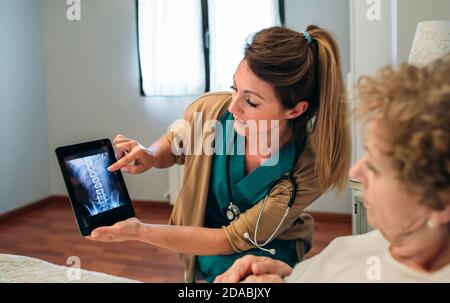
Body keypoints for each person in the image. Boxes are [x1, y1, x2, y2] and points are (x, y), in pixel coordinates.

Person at [86, 25, 351, 282]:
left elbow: (231, 239)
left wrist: (140, 231)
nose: (233, 106)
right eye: (234, 88)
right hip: (204, 235)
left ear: (295, 110)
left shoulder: (309, 166)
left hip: (270, 245)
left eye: (251, 101)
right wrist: (151, 155)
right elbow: (177, 142)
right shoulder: (215, 114)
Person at [214, 55, 450, 283]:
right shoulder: (378, 242)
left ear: (441, 204)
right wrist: (287, 276)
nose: (354, 173)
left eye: (376, 168)